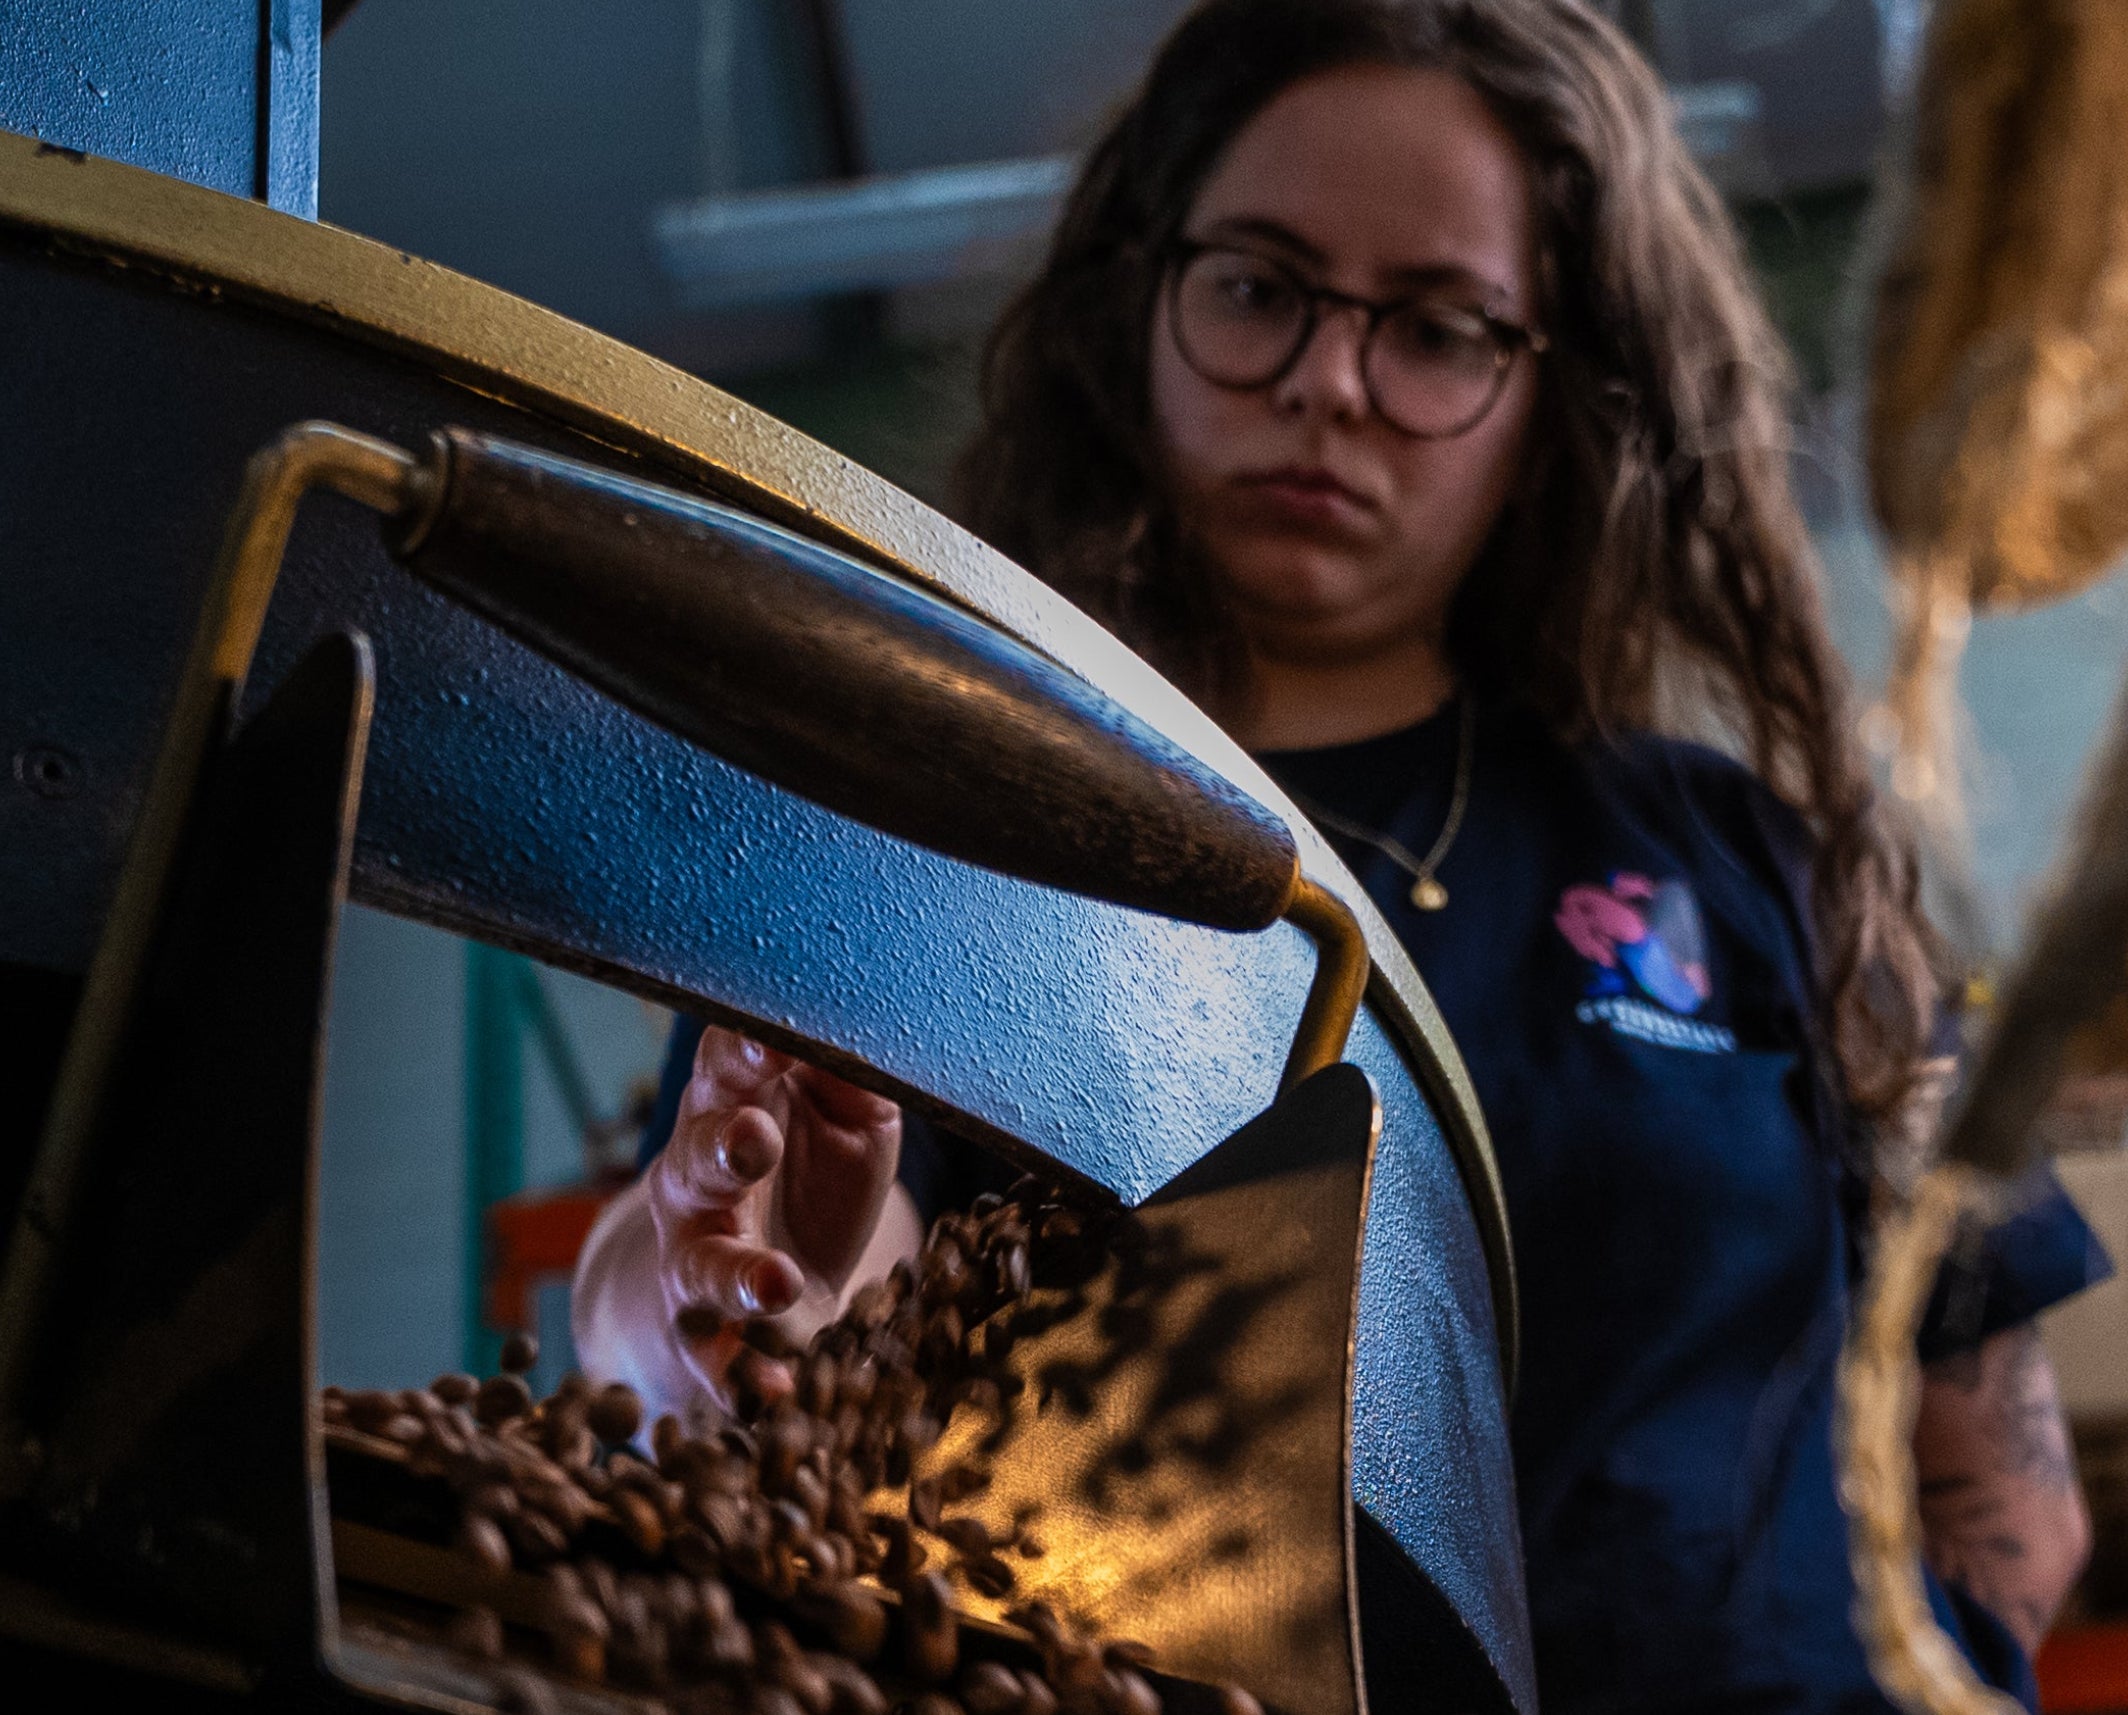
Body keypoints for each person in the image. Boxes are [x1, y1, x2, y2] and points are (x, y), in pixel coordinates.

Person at [574, 2, 2111, 1707]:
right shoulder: (928, 836)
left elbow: (2004, 1497)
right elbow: (695, 1328)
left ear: (1558, 391)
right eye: (1259, 288)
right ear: (1137, 306)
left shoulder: (1763, 871)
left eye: (1441, 329)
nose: (1330, 382)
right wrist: (724, 1302)